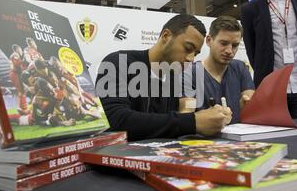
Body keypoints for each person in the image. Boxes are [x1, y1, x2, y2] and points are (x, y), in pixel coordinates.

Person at [96, 14, 232, 141]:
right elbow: (113, 120)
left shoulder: (173, 76)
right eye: (188, 48)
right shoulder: (118, 62)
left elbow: (169, 122)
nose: (191, 58)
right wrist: (193, 121)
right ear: (166, 36)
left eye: (195, 53)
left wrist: (208, 118)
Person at [181, 16, 255, 124]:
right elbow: (186, 114)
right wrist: (207, 117)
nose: (229, 51)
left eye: (235, 45)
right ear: (209, 40)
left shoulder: (240, 68)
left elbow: (249, 101)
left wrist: (246, 106)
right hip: (203, 139)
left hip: (239, 139)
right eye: (223, 43)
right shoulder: (190, 74)